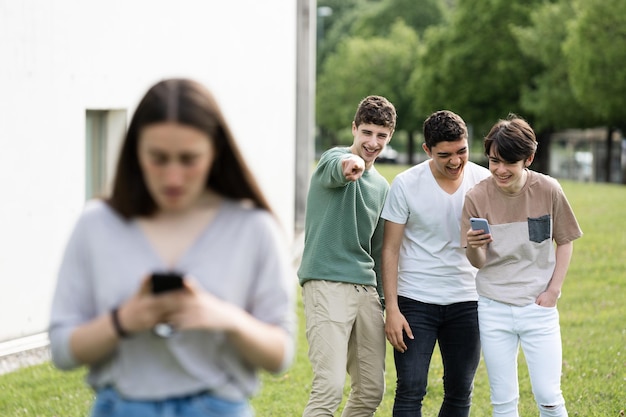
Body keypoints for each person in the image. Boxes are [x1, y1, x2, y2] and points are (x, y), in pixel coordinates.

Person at [48, 78, 296, 417]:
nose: (173, 177)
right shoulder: (96, 224)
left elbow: (280, 354)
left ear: (216, 152)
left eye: (189, 159)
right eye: (158, 158)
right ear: (135, 151)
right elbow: (62, 350)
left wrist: (223, 316)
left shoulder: (252, 228)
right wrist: (125, 319)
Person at [462, 115, 582, 417]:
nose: (500, 170)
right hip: (493, 307)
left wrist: (553, 292)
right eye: (493, 161)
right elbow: (478, 262)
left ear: (528, 158)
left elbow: (565, 239)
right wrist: (475, 247)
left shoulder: (548, 189)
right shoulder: (476, 197)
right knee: (503, 401)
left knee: (549, 397)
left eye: (509, 163)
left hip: (537, 307)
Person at [381, 110, 491, 416]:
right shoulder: (405, 184)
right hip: (415, 300)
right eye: (445, 155)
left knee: (459, 389)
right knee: (411, 388)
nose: (455, 162)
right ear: (427, 150)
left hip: (467, 300)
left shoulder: (484, 180)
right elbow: (389, 249)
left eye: (462, 152)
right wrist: (392, 309)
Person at [298, 95, 397, 417]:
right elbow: (336, 168)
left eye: (381, 136)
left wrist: (385, 302)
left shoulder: (382, 187)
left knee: (371, 390)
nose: (372, 142)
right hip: (326, 283)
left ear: (389, 138)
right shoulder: (334, 159)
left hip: (366, 291)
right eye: (366, 132)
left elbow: (380, 248)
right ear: (354, 129)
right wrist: (350, 165)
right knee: (328, 386)